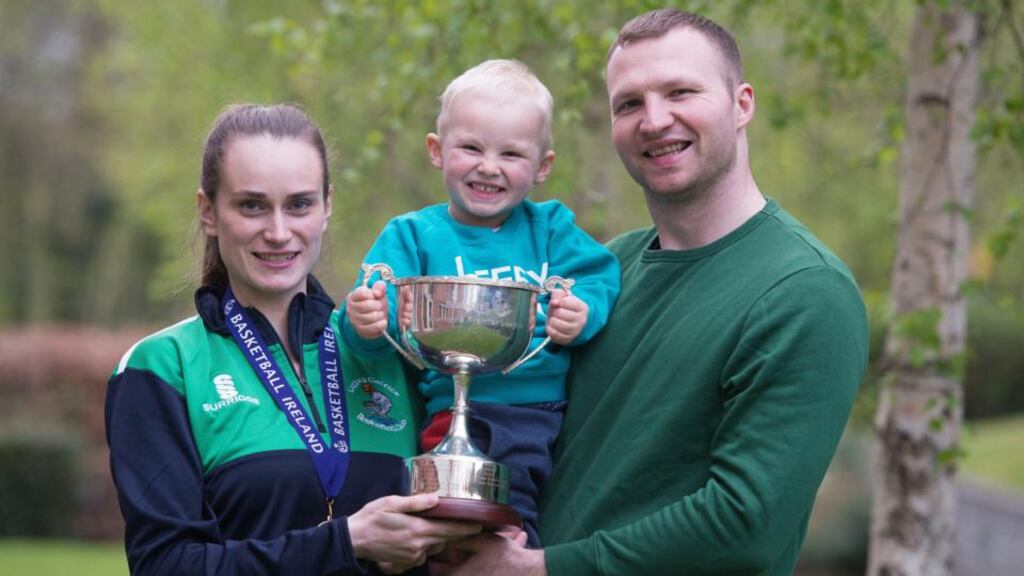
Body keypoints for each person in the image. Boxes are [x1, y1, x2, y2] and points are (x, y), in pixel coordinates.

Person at [433, 9, 869, 576]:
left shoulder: (803, 291)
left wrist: (537, 569)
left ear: (742, 104)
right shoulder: (602, 272)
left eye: (680, 91)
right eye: (629, 104)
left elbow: (746, 525)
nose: (655, 120)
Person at [105, 103, 481, 576]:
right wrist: (346, 542)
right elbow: (165, 566)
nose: (279, 232)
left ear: (327, 207)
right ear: (208, 211)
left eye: (299, 204)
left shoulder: (392, 349)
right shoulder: (163, 366)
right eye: (252, 205)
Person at [341, 59, 621, 547]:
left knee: (512, 521)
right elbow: (368, 315)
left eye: (511, 154)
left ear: (542, 167)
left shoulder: (550, 228)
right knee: (434, 526)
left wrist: (583, 313)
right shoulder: (410, 236)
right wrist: (365, 320)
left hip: (537, 416)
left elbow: (597, 278)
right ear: (436, 150)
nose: (488, 166)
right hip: (446, 413)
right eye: (470, 147)